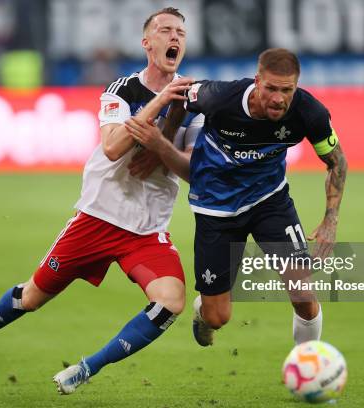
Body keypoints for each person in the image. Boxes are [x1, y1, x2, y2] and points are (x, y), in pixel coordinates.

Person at [0, 7, 201, 394]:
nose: (174, 37)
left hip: (147, 230)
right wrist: (161, 101)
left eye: (180, 31)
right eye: (165, 30)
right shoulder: (122, 90)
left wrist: (163, 144)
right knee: (31, 297)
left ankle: (86, 368)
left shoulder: (194, 101)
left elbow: (193, 171)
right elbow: (113, 148)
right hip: (99, 217)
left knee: (171, 302)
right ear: (147, 43)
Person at [126, 48, 348, 347]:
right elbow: (178, 94)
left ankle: (308, 364)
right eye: (270, 88)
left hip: (269, 201)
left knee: (303, 293)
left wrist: (331, 219)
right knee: (217, 317)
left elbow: (337, 162)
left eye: (287, 90)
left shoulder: (310, 112)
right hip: (215, 208)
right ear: (257, 81)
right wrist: (162, 145)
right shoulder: (219, 97)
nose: (278, 98)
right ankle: (204, 312)